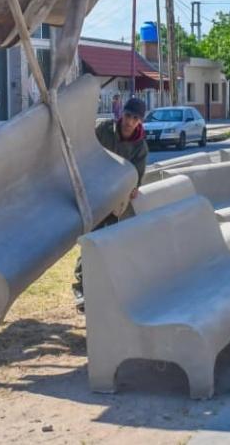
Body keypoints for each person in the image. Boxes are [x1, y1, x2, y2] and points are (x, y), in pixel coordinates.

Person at [74, 97, 150, 312]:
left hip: (119, 203)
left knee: (115, 245)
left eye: (135, 118)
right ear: (121, 114)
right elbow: (85, 153)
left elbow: (136, 178)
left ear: (139, 122)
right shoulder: (104, 131)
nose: (129, 122)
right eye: (127, 116)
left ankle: (111, 290)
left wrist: (131, 188)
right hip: (96, 196)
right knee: (90, 242)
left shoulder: (140, 147)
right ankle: (81, 288)